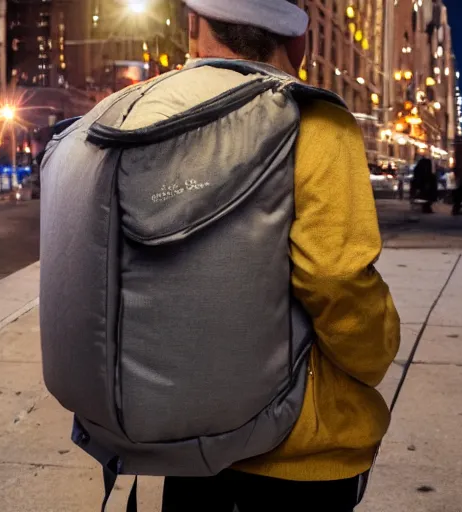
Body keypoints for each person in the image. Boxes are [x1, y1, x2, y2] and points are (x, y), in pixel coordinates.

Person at [148, 3, 401, 510]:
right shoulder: (317, 122)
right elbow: (334, 276)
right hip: (297, 450)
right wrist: (375, 354)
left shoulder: (151, 116)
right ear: (300, 43)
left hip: (186, 438)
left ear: (194, 29)